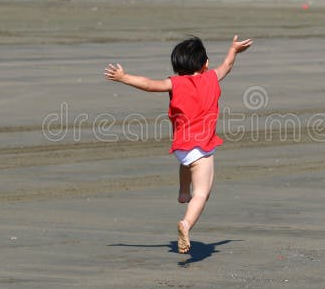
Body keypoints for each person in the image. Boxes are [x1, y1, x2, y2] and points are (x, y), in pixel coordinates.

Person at [104, 35, 253, 254]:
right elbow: (227, 66)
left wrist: (123, 77)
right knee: (202, 193)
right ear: (205, 64)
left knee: (187, 164)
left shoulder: (174, 83)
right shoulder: (212, 77)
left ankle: (184, 191)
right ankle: (186, 224)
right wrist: (233, 50)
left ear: (177, 66)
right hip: (202, 147)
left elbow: (148, 85)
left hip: (181, 147)